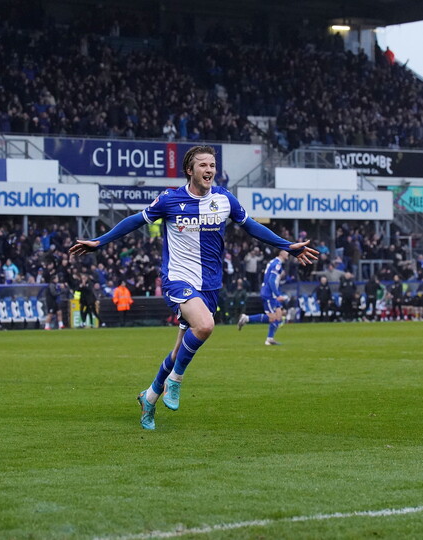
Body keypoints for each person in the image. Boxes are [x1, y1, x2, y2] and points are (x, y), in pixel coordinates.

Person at [70, 145, 317, 430]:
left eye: (212, 164)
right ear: (190, 170)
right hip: (178, 278)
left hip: (210, 285)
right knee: (206, 326)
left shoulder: (224, 199)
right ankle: (175, 381)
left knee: (178, 351)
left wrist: (288, 246)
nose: (209, 169)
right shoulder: (171, 199)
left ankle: (149, 398)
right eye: (203, 165)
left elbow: (251, 227)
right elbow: (136, 220)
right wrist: (100, 241)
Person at [237, 250, 293, 345]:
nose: (288, 253)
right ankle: (247, 319)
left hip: (271, 292)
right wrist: (277, 294)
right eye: (286, 251)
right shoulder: (277, 264)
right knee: (273, 318)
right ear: (281, 252)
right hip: (269, 293)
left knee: (279, 316)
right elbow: (271, 280)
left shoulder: (274, 262)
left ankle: (270, 339)